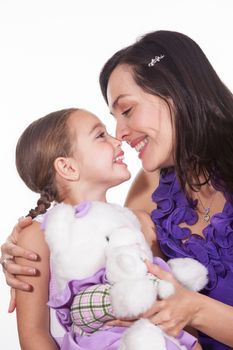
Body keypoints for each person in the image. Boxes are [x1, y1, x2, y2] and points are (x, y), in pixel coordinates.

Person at [1, 30, 233, 349]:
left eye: (126, 110)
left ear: (176, 92)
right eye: (109, 123)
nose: (120, 134)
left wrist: (195, 309)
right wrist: (28, 250)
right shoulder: (150, 190)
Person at [9, 107, 196, 349]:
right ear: (67, 167)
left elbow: (169, 297)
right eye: (101, 136)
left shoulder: (140, 223)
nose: (117, 140)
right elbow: (34, 334)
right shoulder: (36, 236)